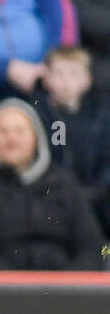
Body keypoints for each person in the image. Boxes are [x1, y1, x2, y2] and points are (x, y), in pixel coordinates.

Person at [0, 98, 104, 270]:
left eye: (20, 131)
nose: (12, 139)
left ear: (36, 137)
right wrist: (19, 290)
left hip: (65, 287)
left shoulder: (64, 181)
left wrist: (64, 287)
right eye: (2, 131)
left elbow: (90, 246)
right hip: (1, 289)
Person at [31, 46, 110, 238]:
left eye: (74, 74)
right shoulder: (37, 115)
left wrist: (95, 192)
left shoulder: (100, 118)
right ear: (46, 79)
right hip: (52, 199)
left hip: (97, 199)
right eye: (59, 73)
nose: (66, 81)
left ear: (87, 80)